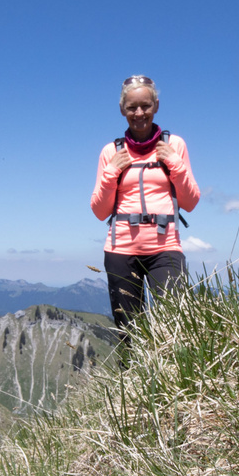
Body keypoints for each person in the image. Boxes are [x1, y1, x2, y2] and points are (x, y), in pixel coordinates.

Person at [89, 75, 201, 330]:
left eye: (145, 106)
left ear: (156, 106)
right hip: (121, 251)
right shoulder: (111, 152)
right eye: (132, 107)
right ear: (122, 110)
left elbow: (191, 201)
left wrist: (174, 163)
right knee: (129, 331)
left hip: (166, 248)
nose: (139, 113)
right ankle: (130, 371)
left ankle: (176, 371)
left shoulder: (174, 145)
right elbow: (99, 210)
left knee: (176, 325)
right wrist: (111, 173)